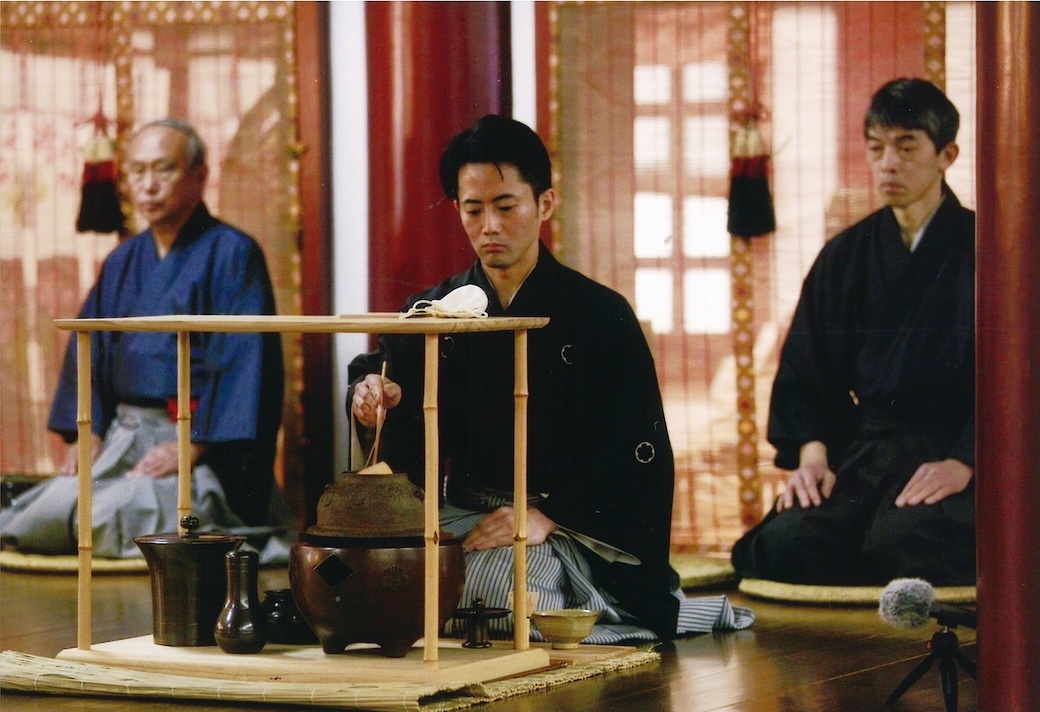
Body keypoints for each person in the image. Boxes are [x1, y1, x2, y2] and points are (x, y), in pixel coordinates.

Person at [349, 114, 753, 643]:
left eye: (505, 206)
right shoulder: (435, 310)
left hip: (562, 525)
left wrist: (547, 516)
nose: (489, 226)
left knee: (494, 595)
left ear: (545, 204)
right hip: (460, 514)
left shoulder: (601, 314)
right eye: (473, 209)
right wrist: (374, 399)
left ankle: (571, 597)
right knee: (366, 580)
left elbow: (636, 450)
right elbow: (386, 378)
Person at [1, 119, 286, 558]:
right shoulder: (123, 260)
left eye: (164, 169)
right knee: (45, 513)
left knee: (103, 515)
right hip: (123, 437)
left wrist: (192, 446)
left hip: (199, 447)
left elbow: (246, 362)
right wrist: (87, 432)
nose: (148, 186)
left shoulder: (233, 253)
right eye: (137, 171)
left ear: (199, 176)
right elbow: (89, 348)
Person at [731, 78, 976, 587]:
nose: (888, 164)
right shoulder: (846, 255)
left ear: (946, 155)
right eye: (876, 148)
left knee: (903, 542)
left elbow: (1016, 383)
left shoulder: (986, 248)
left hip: (952, 452)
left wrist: (964, 463)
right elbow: (808, 371)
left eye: (906, 147)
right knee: (786, 544)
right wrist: (813, 456)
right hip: (867, 456)